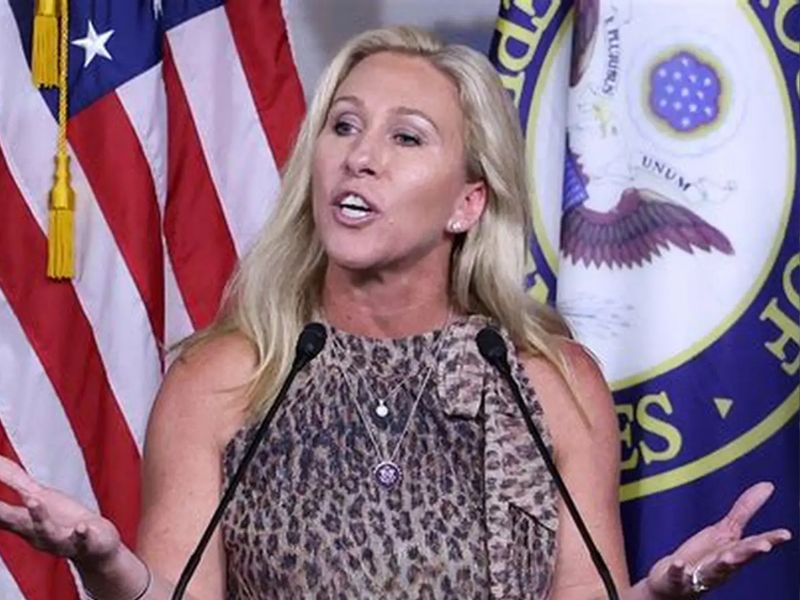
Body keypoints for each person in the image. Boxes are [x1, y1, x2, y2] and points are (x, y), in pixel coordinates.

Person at [0, 26, 791, 600]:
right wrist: (106, 565)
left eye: (405, 137)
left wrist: (655, 597)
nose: (360, 154)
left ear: (467, 203)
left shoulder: (550, 382)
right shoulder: (224, 377)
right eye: (343, 126)